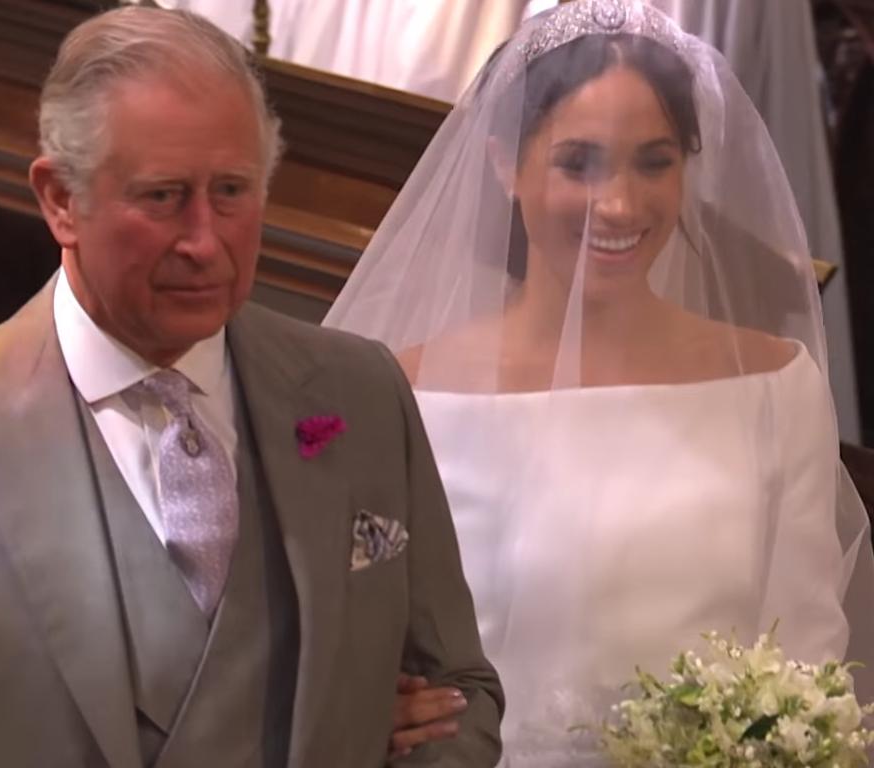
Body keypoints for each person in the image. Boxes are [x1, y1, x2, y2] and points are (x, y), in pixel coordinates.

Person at [0, 7, 504, 767]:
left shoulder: (361, 391)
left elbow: (459, 692)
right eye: (163, 197)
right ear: (60, 198)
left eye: (232, 191)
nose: (204, 240)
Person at [326, 0, 874, 764]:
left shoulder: (776, 389)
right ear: (502, 164)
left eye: (655, 161)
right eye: (578, 162)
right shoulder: (407, 395)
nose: (619, 203)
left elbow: (808, 662)